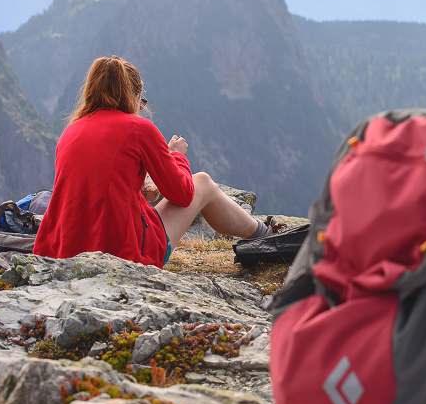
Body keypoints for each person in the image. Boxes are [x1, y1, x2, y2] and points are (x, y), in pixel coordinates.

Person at [33, 55, 276, 268]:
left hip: (61, 251)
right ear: (135, 96)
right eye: (141, 101)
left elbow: (96, 187)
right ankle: (264, 235)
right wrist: (177, 155)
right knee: (202, 182)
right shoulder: (138, 128)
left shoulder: (71, 131)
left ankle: (261, 233)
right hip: (121, 253)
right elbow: (182, 194)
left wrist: (137, 191)